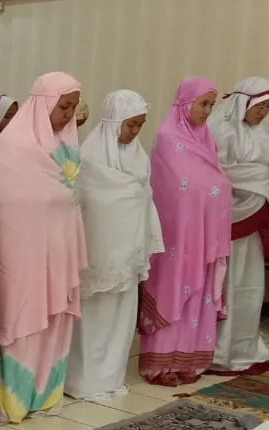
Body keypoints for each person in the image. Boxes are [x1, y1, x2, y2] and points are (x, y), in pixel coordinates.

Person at [0, 72, 86, 423]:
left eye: (73, 107)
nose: (68, 115)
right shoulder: (14, 146)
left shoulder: (65, 146)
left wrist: (57, 199)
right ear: (44, 104)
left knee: (55, 321)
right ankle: (14, 399)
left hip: (58, 251)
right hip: (22, 255)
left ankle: (46, 393)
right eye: (63, 106)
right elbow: (4, 198)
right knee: (24, 319)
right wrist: (55, 198)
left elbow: (68, 195)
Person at [68, 90, 164, 399]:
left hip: (128, 250)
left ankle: (111, 377)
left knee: (121, 316)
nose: (135, 131)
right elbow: (90, 201)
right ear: (113, 122)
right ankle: (84, 381)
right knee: (95, 315)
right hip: (99, 251)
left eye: (140, 125)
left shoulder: (139, 157)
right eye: (130, 124)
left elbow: (142, 195)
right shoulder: (90, 156)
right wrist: (129, 196)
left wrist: (134, 196)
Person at [138, 78, 231, 386]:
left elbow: (216, 182)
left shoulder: (206, 139)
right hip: (177, 237)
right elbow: (180, 187)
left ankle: (190, 362)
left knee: (199, 298)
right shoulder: (167, 138)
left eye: (211, 105)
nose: (207, 111)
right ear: (185, 103)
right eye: (202, 104)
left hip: (205, 237)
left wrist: (215, 189)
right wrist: (214, 189)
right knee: (174, 289)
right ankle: (160, 366)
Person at [208, 77, 269, 375]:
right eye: (260, 106)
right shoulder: (221, 130)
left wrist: (263, 181)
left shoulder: (263, 133)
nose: (263, 113)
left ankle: (245, 346)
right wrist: (260, 179)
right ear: (243, 104)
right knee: (226, 281)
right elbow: (217, 171)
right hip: (228, 214)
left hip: (256, 215)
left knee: (250, 282)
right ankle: (218, 349)